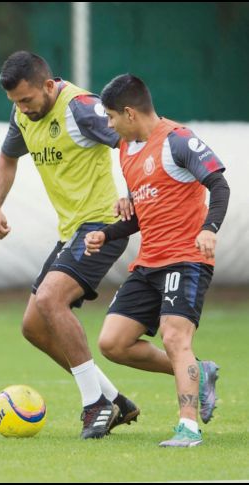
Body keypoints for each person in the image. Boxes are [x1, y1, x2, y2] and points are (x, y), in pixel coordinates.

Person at [0, 51, 138, 439]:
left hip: (103, 225)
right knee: (34, 327)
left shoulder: (83, 110)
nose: (22, 109)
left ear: (49, 85)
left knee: (51, 298)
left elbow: (132, 141)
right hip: (72, 231)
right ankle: (113, 400)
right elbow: (7, 157)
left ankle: (94, 404)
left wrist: (133, 194)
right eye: (15, 103)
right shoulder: (23, 115)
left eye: (27, 99)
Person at [85, 73, 228, 447]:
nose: (109, 124)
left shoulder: (178, 140)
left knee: (175, 336)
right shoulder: (125, 149)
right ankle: (202, 371)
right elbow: (143, 212)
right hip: (148, 263)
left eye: (112, 117)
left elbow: (219, 183)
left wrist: (210, 227)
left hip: (186, 259)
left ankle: (188, 428)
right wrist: (108, 232)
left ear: (130, 113)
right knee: (113, 343)